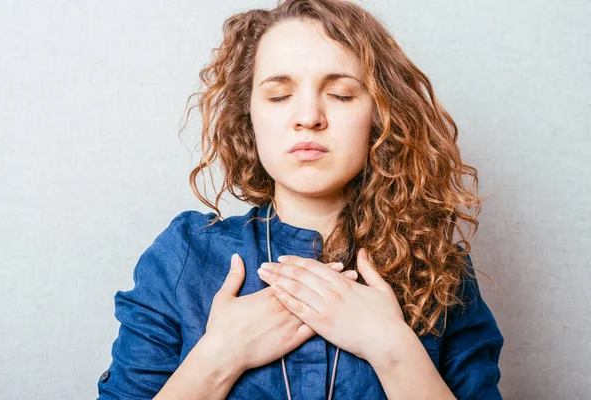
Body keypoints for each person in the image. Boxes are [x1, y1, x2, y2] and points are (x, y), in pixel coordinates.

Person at [97, 0, 504, 399]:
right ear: (248, 116)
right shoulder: (183, 257)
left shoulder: (437, 269)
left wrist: (393, 349)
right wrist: (219, 356)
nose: (308, 116)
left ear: (381, 116)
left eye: (342, 94)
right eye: (279, 96)